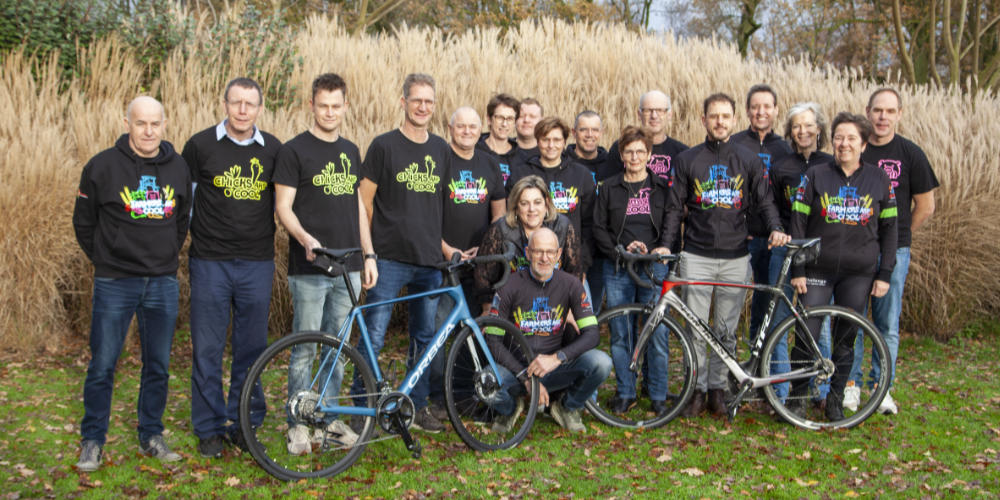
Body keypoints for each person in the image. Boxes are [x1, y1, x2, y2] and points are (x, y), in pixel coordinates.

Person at [73, 96, 191, 471]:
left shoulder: (178, 167)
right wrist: (107, 259)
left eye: (155, 123)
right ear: (127, 123)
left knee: (157, 364)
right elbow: (84, 222)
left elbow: (182, 219)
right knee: (103, 364)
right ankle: (92, 440)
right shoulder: (101, 167)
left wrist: (165, 257)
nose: (149, 131)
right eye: (141, 123)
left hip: (162, 282)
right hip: (115, 282)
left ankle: (151, 435)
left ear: (165, 123)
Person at [658, 93, 789, 418]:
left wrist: (775, 227)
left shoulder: (748, 159)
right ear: (703, 120)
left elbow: (765, 200)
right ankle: (697, 390)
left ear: (734, 119)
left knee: (726, 331)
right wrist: (665, 244)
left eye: (725, 116)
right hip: (696, 255)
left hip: (735, 257)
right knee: (696, 330)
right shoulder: (688, 159)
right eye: (713, 116)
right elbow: (674, 208)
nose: (719, 121)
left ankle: (718, 389)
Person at [272, 73, 378, 454]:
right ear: (311, 106)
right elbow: (283, 207)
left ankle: (328, 419)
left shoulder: (350, 151)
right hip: (311, 268)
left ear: (345, 107)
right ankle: (298, 423)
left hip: (348, 266)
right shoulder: (294, 151)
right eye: (323, 105)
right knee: (306, 346)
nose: (329, 112)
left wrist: (368, 254)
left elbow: (357, 208)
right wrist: (305, 239)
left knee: (339, 344)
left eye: (336, 106)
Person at [183, 77, 282, 457]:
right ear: (224, 103)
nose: (243, 110)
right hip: (210, 262)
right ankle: (209, 428)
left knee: (251, 348)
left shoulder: (273, 149)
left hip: (257, 262)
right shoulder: (200, 146)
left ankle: (245, 423)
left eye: (250, 104)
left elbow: (282, 204)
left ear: (260, 107)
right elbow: (185, 203)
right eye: (236, 102)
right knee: (207, 348)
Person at [355, 73, 452, 432]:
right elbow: (363, 203)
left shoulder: (441, 149)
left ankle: (418, 405)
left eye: (429, 101)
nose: (423, 107)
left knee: (424, 339)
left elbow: (438, 207)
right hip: (389, 259)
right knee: (373, 336)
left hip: (428, 262)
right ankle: (363, 406)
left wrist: (444, 249)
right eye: (416, 100)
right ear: (403, 102)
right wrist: (368, 254)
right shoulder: (384, 146)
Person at [789, 112, 897, 421]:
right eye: (838, 138)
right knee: (805, 333)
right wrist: (798, 268)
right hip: (816, 270)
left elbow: (891, 230)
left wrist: (885, 272)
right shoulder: (816, 175)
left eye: (851, 138)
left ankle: (835, 399)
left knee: (847, 337)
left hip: (858, 274)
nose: (844, 144)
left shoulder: (879, 179)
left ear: (863, 144)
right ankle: (798, 395)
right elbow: (798, 222)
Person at [846, 88, 939, 415]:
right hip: (855, 251)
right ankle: (851, 386)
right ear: (867, 112)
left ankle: (881, 387)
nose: (882, 117)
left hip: (893, 254)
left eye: (889, 111)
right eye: (877, 111)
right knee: (852, 320)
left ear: (899, 114)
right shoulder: (854, 149)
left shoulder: (911, 154)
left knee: (886, 324)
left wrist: (896, 238)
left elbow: (925, 206)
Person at [487, 228, 612, 433]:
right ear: (528, 253)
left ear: (558, 254)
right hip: (516, 369)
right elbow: (493, 340)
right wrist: (526, 380)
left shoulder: (571, 284)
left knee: (601, 362)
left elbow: (592, 334)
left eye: (550, 252)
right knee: (486, 384)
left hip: (555, 367)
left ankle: (567, 407)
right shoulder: (508, 285)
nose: (544, 258)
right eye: (538, 252)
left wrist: (557, 358)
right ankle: (509, 409)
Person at [428, 106, 506, 419]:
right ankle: (434, 397)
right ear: (450, 127)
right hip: (443, 263)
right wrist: (448, 250)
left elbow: (498, 213)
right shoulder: (438, 162)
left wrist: (486, 246)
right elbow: (426, 213)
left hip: (479, 265)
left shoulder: (489, 163)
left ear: (480, 129)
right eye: (461, 126)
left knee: (473, 329)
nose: (467, 131)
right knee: (437, 331)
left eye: (473, 126)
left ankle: (463, 394)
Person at [592, 126, 672, 415]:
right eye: (629, 152)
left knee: (657, 332)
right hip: (619, 267)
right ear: (622, 155)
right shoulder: (610, 187)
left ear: (649, 155)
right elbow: (599, 227)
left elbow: (672, 222)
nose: (635, 156)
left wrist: (661, 247)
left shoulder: (662, 189)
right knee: (621, 332)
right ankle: (626, 391)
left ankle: (659, 394)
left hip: (653, 268)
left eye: (640, 151)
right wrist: (620, 248)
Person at [768, 102, 834, 402]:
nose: (803, 131)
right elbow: (771, 205)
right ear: (790, 131)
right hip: (785, 250)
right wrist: (778, 229)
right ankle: (781, 391)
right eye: (796, 126)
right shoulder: (782, 166)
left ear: (818, 128)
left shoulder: (831, 165)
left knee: (817, 323)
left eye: (808, 125)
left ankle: (820, 390)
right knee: (778, 319)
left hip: (818, 253)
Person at [730, 84, 795, 348]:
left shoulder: (784, 149)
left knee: (767, 301)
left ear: (776, 110)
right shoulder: (735, 144)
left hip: (773, 238)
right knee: (734, 300)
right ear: (747, 111)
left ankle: (759, 356)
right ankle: (732, 359)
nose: (761, 112)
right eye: (755, 107)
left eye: (767, 106)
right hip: (742, 236)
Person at [507, 117, 597, 286]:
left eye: (556, 140)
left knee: (582, 311)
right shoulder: (521, 173)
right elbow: (511, 217)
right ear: (538, 141)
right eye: (545, 139)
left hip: (569, 265)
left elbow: (589, 225)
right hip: (529, 264)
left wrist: (582, 265)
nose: (551, 145)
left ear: (564, 142)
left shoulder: (581, 175)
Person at [475, 176, 583, 312]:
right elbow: (483, 274)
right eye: (524, 203)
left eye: (537, 202)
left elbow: (575, 271)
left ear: (546, 203)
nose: (532, 209)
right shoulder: (500, 230)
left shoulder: (562, 226)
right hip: (511, 302)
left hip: (556, 301)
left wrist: (570, 309)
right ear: (516, 206)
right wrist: (487, 308)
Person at [567, 110, 614, 314]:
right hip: (574, 248)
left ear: (601, 132)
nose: (589, 134)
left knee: (590, 307)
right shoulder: (563, 163)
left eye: (594, 129)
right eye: (583, 129)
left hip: (602, 248)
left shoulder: (611, 165)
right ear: (573, 132)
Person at [607, 90, 689, 183]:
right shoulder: (620, 148)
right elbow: (610, 188)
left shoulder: (682, 153)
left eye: (660, 110)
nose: (654, 116)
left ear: (669, 115)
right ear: (639, 114)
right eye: (648, 110)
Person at [476, 93, 520, 186]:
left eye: (510, 119)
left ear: (515, 122)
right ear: (489, 119)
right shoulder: (475, 150)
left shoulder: (520, 156)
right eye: (500, 117)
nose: (504, 124)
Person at [509, 97, 543, 171]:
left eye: (532, 116)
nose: (526, 120)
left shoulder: (550, 153)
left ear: (541, 121)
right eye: (521, 116)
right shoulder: (504, 150)